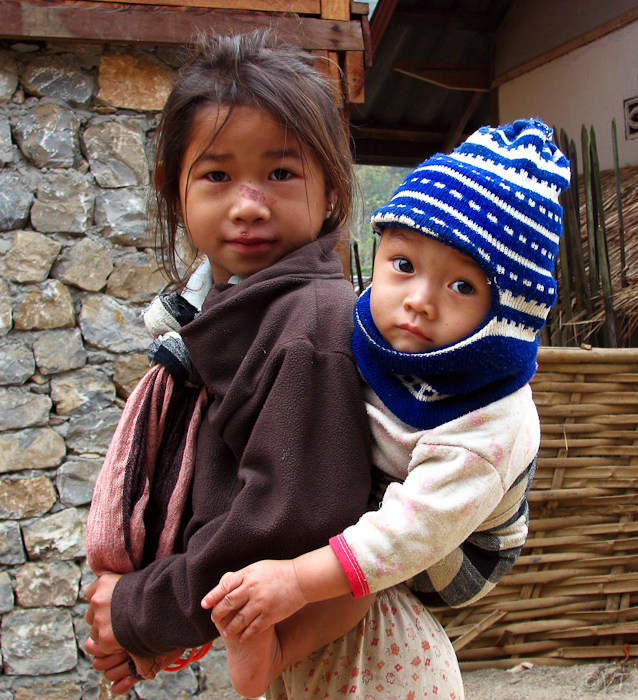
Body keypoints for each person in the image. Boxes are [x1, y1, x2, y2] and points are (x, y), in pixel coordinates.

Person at [203, 118, 571, 699]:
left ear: (509, 313)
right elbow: (260, 335)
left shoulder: (493, 421)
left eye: (463, 287)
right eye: (403, 265)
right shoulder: (365, 323)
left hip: (456, 544)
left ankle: (275, 649)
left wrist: (296, 581)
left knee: (357, 574)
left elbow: (409, 533)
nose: (419, 301)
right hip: (388, 485)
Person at [83, 30, 377, 694]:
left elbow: (289, 518)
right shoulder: (221, 317)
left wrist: (141, 610)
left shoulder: (310, 322)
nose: (248, 204)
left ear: (329, 187)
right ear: (174, 189)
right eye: (217, 174)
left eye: (280, 172)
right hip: (297, 648)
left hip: (356, 660)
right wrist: (136, 627)